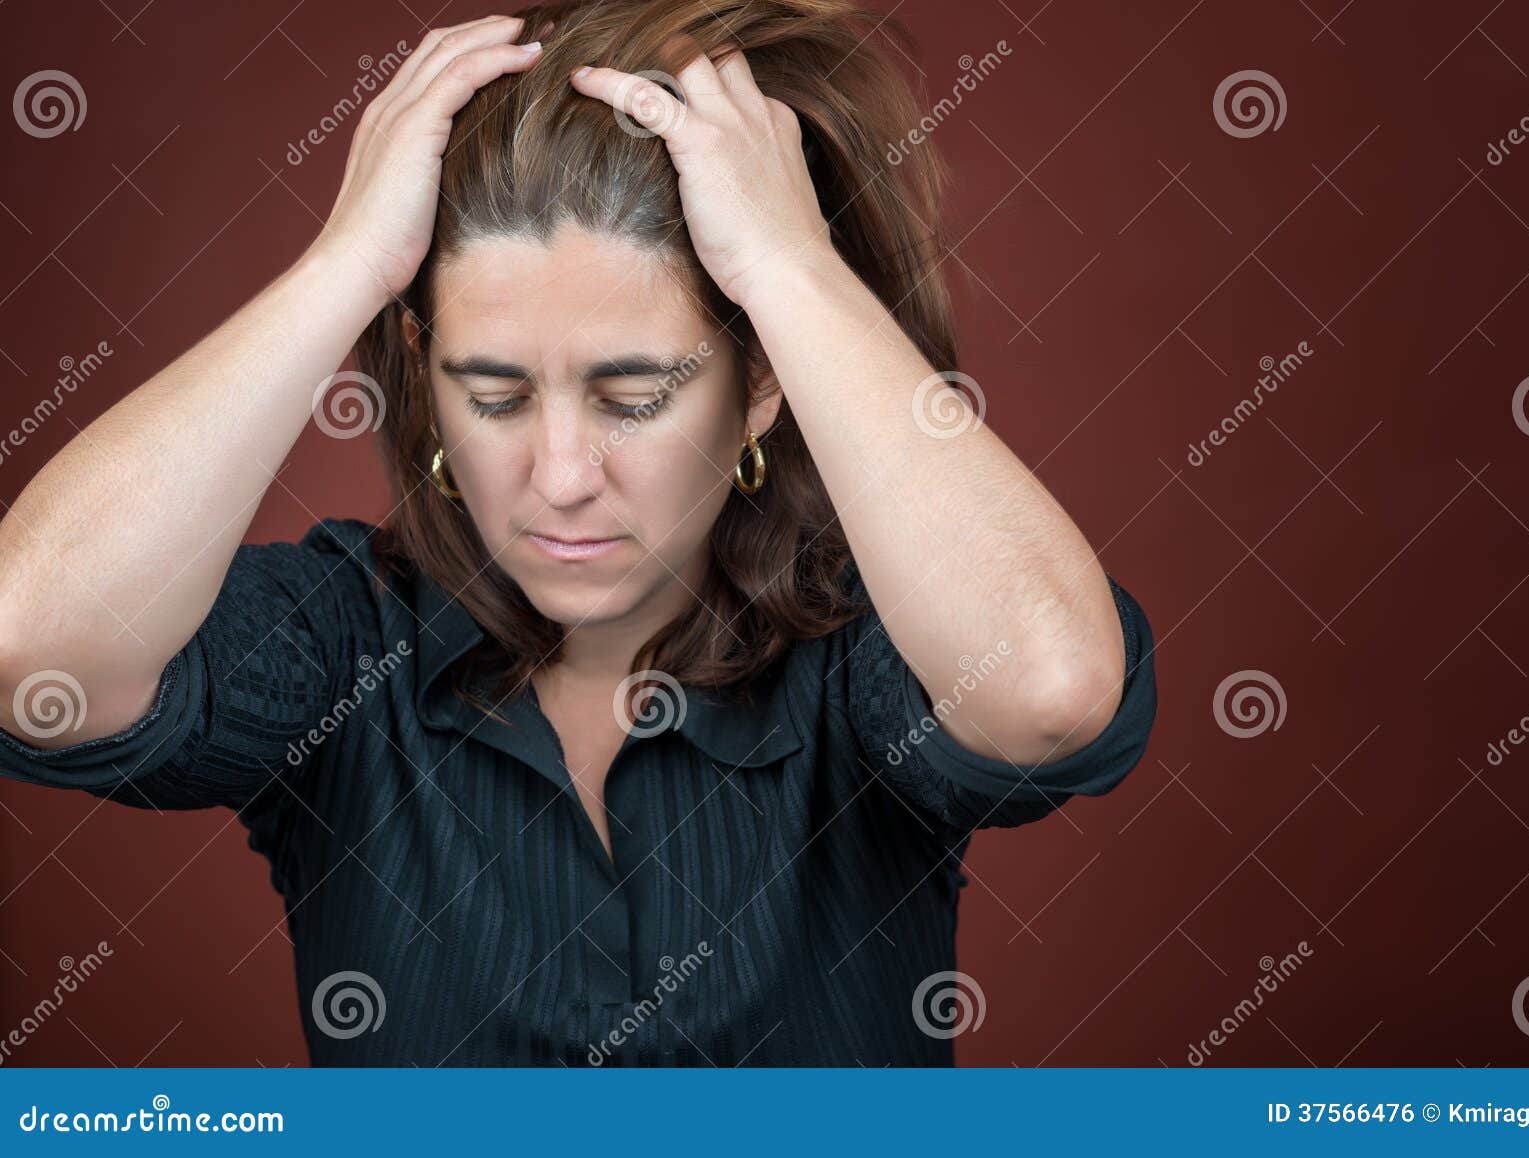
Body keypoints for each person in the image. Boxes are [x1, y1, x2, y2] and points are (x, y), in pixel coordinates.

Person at [0, 0, 1156, 1065]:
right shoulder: (345, 649)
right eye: (494, 395)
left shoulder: (864, 653)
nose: (557, 479)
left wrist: (790, 266)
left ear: (758, 380)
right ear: (425, 376)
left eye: (634, 396)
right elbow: (32, 645)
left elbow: (1050, 682)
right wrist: (343, 268)